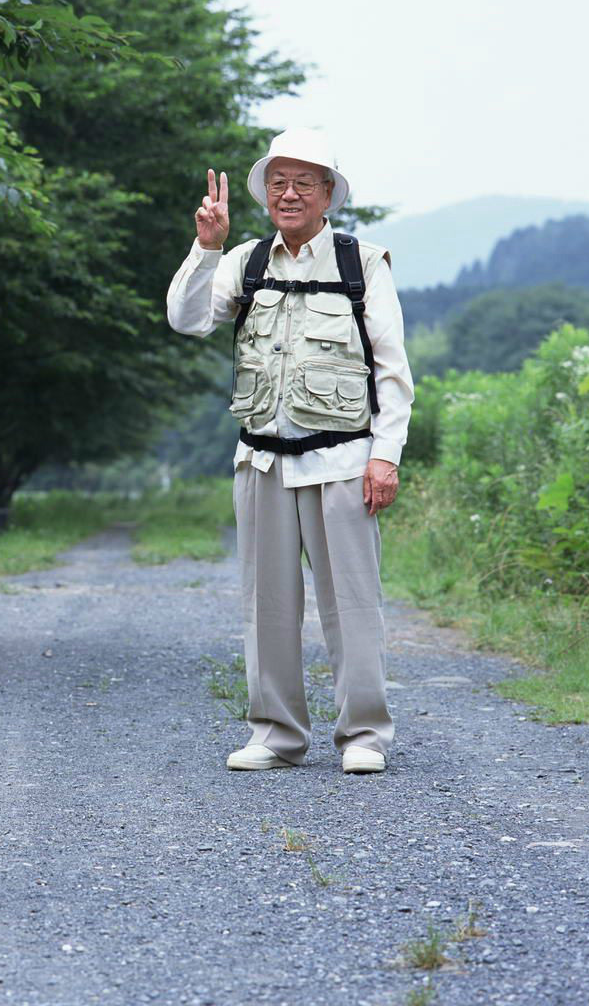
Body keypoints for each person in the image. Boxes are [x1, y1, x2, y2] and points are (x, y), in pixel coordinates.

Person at [165, 128, 413, 775]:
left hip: (342, 463)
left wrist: (384, 456)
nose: (290, 193)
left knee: (353, 603)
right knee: (266, 604)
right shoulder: (243, 261)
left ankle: (363, 735)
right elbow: (186, 320)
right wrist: (205, 247)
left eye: (305, 182)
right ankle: (275, 733)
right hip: (261, 463)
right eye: (279, 181)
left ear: (329, 193)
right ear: (265, 192)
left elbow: (391, 372)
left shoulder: (363, 263)